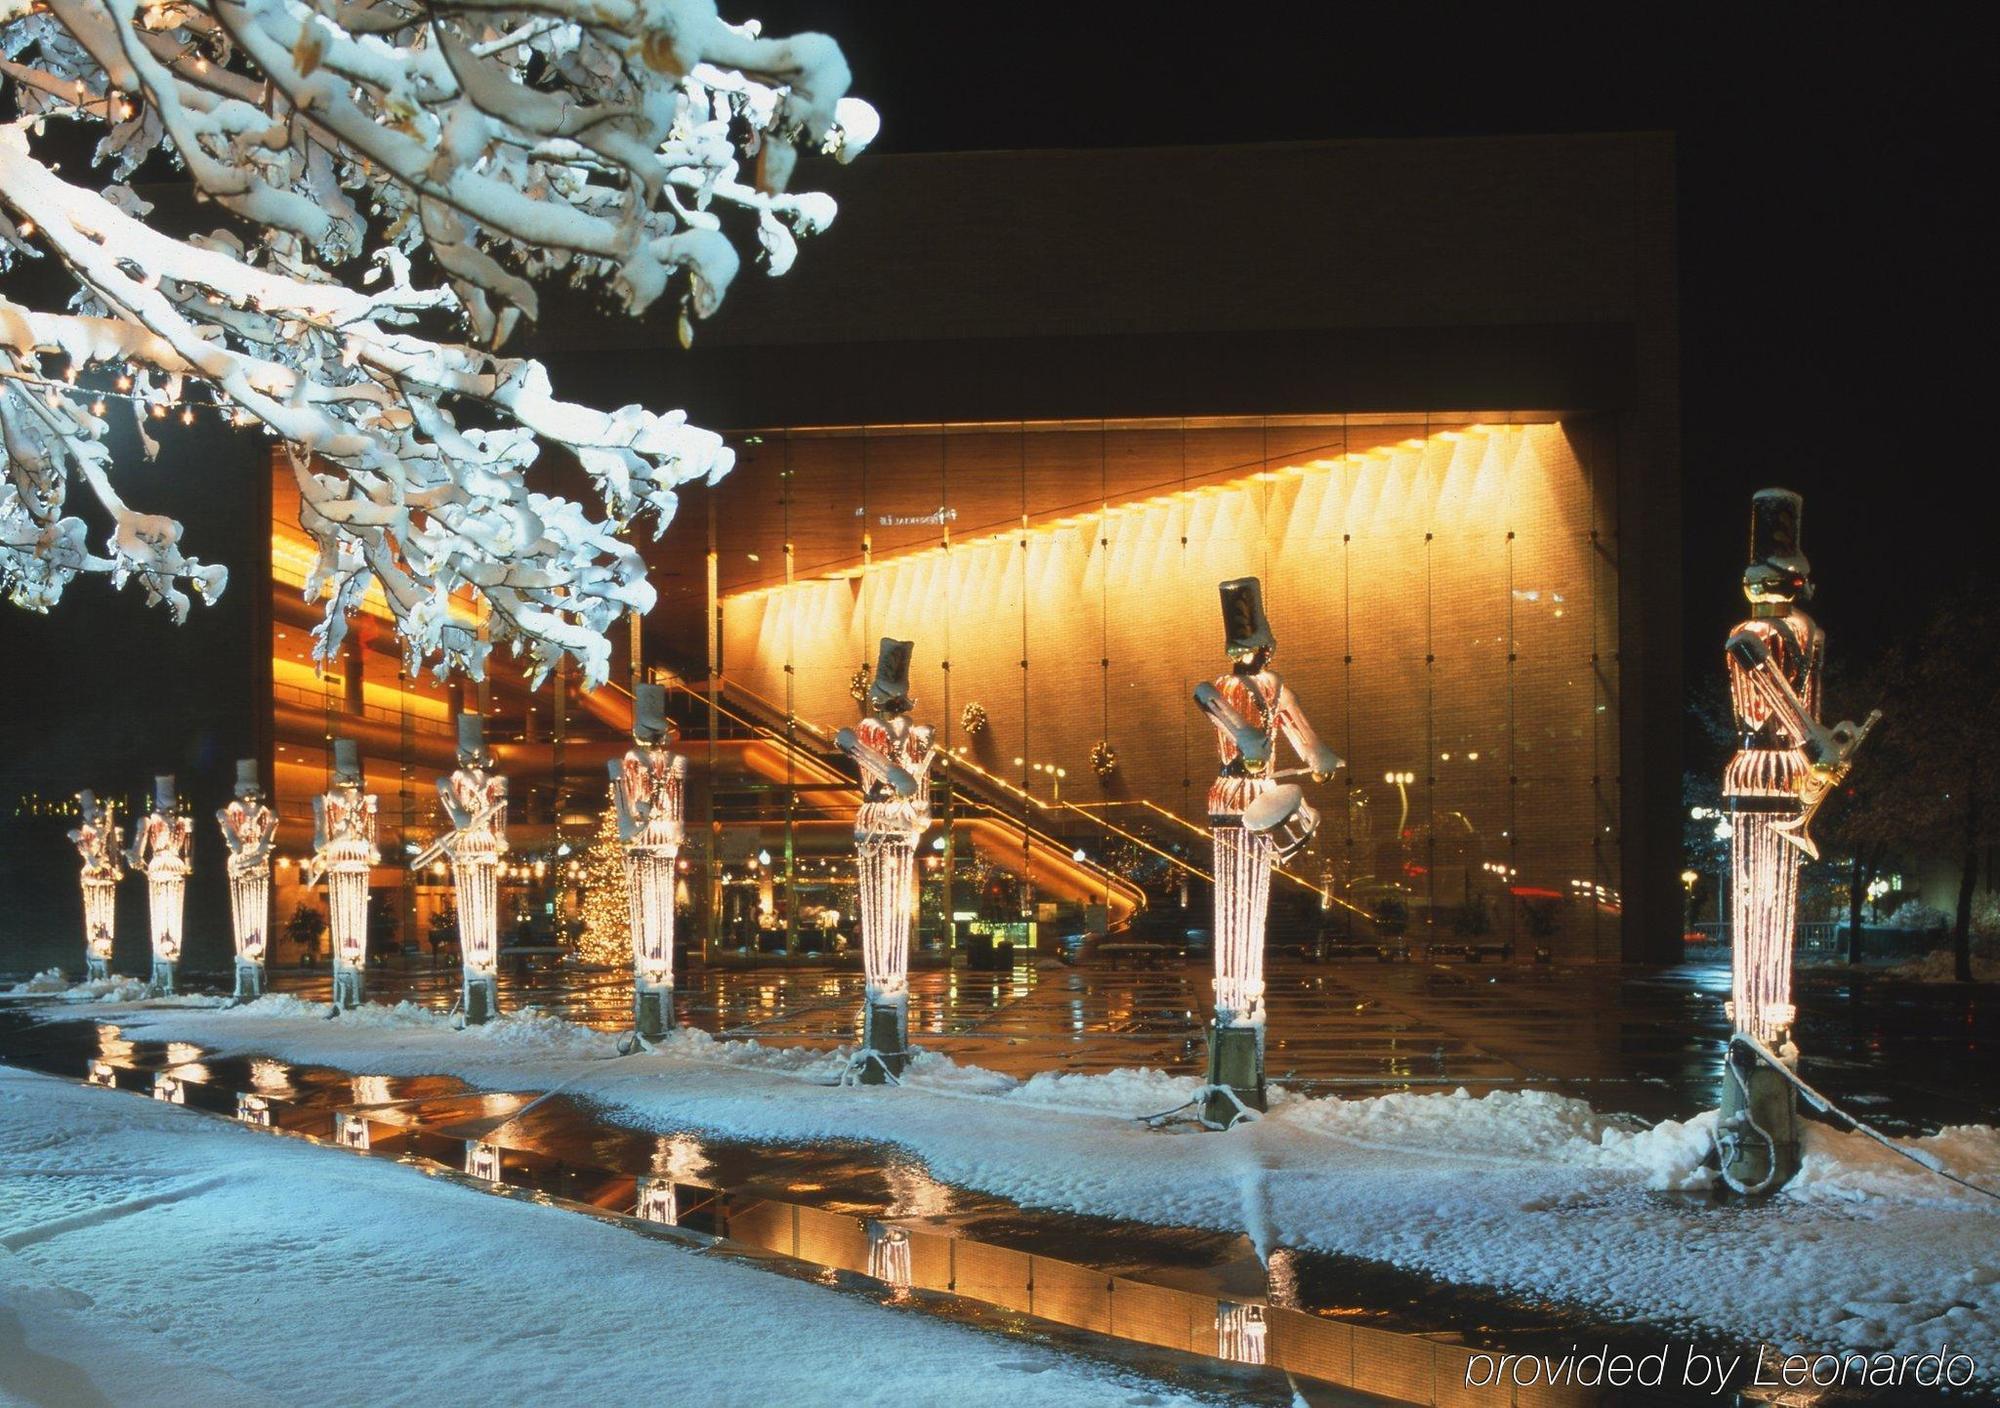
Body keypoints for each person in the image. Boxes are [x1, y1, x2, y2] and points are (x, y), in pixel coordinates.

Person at [1192, 577, 1340, 1125]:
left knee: (1252, 903)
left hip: (1260, 795)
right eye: (1245, 646)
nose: (1252, 655)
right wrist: (1245, 736)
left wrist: (1319, 755)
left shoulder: (1277, 686)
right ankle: (1232, 1002)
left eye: (1256, 646)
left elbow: (1303, 733)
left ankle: (1244, 1001)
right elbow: (1209, 702)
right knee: (1234, 903)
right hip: (1231, 795)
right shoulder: (1216, 687)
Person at [835, 638, 937, 1082]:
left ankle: (891, 1009)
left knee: (896, 918)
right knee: (879, 914)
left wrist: (921, 811)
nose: (890, 706)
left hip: (902, 825)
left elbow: (924, 788)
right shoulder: (865, 734)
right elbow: (871, 767)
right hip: (878, 819)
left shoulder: (920, 737)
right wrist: (890, 775)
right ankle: (882, 1009)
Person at [610, 684, 686, 1039]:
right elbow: (625, 805)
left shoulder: (671, 764)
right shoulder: (630, 762)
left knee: (657, 914)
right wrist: (635, 815)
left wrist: (670, 823)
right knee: (648, 914)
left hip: (660, 839)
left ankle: (658, 989)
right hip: (645, 841)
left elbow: (677, 803)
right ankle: (652, 991)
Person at [217, 759, 278, 1000]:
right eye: (246, 790)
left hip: (258, 863)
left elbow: (268, 836)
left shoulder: (267, 814)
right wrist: (233, 837)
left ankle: (255, 960)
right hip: (241, 864)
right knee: (243, 911)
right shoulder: (230, 812)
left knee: (257, 910)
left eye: (254, 790)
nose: (250, 795)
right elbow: (230, 834)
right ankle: (246, 966)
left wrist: (262, 846)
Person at [126, 775, 192, 993]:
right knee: (161, 915)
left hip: (174, 868)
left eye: (172, 807)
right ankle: (163, 961)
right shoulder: (148, 822)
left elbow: (188, 851)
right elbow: (138, 845)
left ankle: (171, 957)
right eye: (165, 806)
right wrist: (135, 856)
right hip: (159, 868)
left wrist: (187, 863)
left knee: (173, 915)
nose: (169, 811)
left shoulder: (183, 823)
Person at [69, 790, 123, 980]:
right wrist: (90, 855)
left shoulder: (102, 829)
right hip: (92, 875)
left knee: (106, 910)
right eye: (94, 814)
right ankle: (97, 953)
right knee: (95, 913)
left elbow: (109, 834)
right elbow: (85, 848)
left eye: (98, 813)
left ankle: (103, 950)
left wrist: (109, 812)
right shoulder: (85, 833)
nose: (97, 817)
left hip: (105, 874)